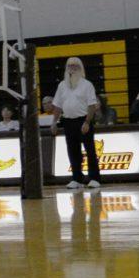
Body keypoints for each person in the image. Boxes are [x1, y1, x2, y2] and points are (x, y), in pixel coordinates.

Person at [50, 57, 100, 190]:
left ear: (80, 68)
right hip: (67, 122)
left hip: (83, 120)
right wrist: (54, 122)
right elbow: (57, 106)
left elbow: (91, 105)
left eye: (75, 66)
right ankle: (76, 178)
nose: (72, 68)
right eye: (69, 66)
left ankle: (94, 178)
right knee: (72, 151)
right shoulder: (62, 85)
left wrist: (87, 122)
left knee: (90, 150)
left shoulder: (87, 85)